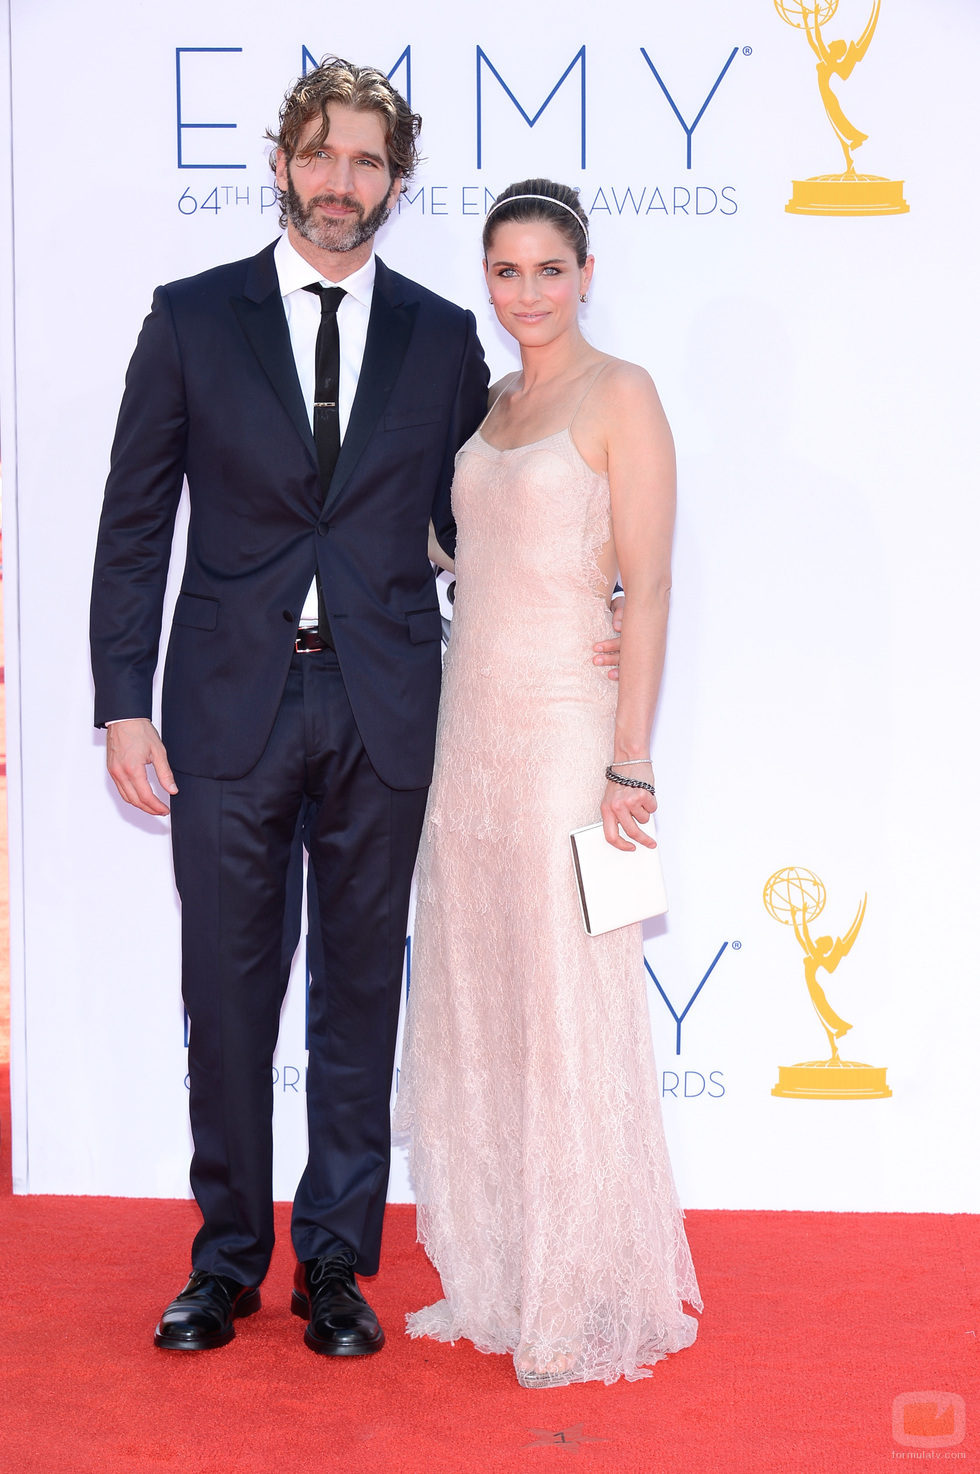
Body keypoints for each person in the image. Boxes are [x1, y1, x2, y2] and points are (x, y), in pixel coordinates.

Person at [89, 56, 494, 1357]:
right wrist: (121, 704)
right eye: (321, 156)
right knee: (229, 991)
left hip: (382, 707)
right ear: (281, 162)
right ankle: (224, 1262)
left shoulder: (441, 339)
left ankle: (336, 1265)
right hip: (225, 709)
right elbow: (136, 525)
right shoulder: (193, 320)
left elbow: (468, 522)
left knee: (359, 995)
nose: (341, 184)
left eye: (368, 162)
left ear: (395, 182)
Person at [395, 179, 702, 1388]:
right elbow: (462, 545)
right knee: (481, 992)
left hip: (568, 742)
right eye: (504, 272)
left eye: (546, 270)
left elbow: (649, 586)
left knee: (570, 1002)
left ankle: (579, 1283)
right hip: (465, 733)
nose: (525, 293)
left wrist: (629, 754)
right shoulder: (494, 403)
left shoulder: (621, 394)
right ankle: (501, 1268)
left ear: (586, 271)